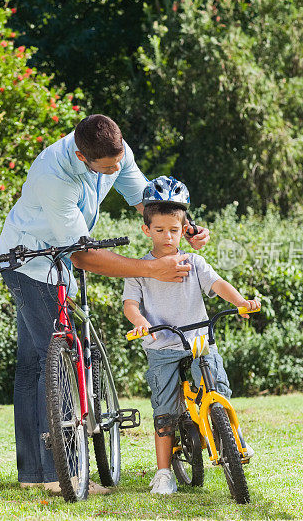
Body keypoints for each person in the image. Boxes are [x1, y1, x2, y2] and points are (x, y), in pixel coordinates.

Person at [0, 114, 210, 494]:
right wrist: (150, 269)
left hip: (56, 261)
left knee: (32, 363)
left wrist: (185, 226)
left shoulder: (117, 152)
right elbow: (84, 255)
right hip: (28, 261)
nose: (116, 167)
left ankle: (34, 474)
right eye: (107, 167)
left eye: (118, 161)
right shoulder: (52, 174)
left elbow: (146, 201)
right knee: (51, 358)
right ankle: (60, 475)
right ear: (81, 157)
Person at [123, 177, 258, 496]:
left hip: (199, 341)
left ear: (183, 229)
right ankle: (163, 472)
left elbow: (218, 284)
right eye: (159, 230)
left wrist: (240, 301)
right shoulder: (139, 267)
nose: (167, 236)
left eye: (174, 230)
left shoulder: (194, 262)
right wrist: (140, 320)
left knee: (218, 389)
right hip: (162, 345)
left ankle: (233, 438)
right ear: (147, 230)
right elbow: (130, 303)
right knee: (165, 409)